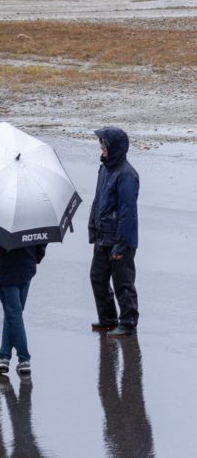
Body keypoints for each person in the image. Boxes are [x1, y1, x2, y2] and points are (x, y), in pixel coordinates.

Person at [88, 126, 140, 338]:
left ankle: (128, 324)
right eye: (101, 143)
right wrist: (92, 229)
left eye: (104, 144)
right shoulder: (104, 169)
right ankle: (108, 319)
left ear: (114, 147)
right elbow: (97, 201)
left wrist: (121, 246)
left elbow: (128, 214)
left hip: (121, 241)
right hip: (103, 237)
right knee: (97, 278)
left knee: (123, 284)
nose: (101, 147)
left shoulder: (127, 175)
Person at [0, 240, 46, 377]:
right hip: (27, 265)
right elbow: (42, 238)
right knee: (13, 313)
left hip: (4, 269)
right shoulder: (31, 223)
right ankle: (3, 356)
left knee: (13, 314)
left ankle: (24, 359)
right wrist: (35, 256)